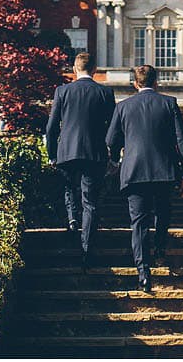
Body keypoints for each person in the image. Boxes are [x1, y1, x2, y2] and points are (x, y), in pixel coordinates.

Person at [104, 63, 183, 292]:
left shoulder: (123, 106)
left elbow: (112, 141)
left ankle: (143, 272)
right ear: (156, 82)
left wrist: (116, 161)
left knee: (139, 223)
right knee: (163, 213)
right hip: (164, 170)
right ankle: (160, 250)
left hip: (134, 172)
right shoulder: (168, 102)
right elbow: (182, 140)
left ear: (135, 84)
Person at [43, 51, 115, 267]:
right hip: (94, 153)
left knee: (68, 187)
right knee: (90, 201)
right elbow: (113, 126)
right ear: (94, 70)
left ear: (75, 69)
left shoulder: (62, 91)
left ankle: (73, 218)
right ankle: (87, 249)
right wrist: (111, 150)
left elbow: (52, 126)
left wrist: (51, 153)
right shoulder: (105, 92)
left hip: (67, 151)